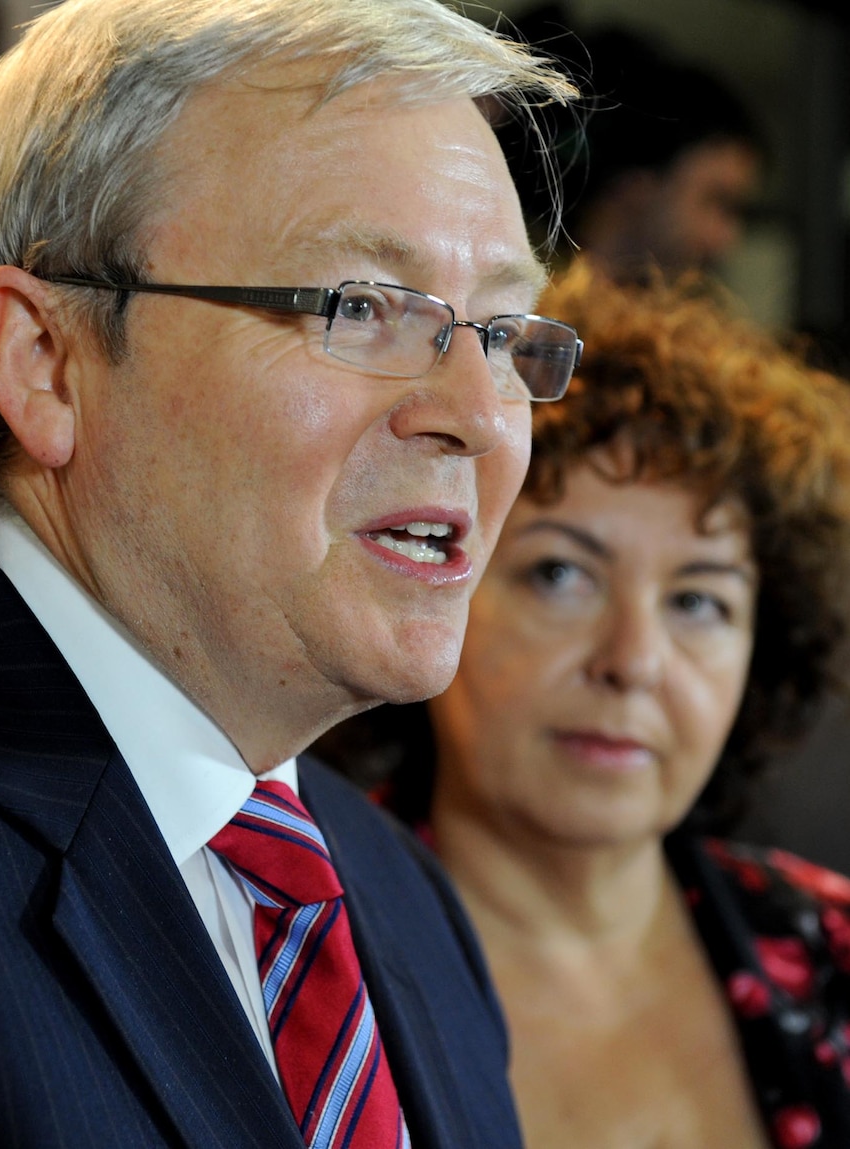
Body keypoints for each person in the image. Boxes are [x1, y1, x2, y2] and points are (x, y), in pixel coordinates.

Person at [0, 1, 582, 1145]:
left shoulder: (399, 899)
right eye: (360, 308)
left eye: (504, 335)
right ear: (45, 360)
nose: (474, 419)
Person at [316, 261, 850, 1148]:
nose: (633, 662)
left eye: (698, 600)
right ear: (438, 581)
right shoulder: (290, 945)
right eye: (561, 575)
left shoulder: (830, 947)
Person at [500, 15, 765, 280]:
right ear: (637, 184)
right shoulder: (519, 301)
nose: (726, 240)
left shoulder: (677, 319)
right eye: (716, 201)